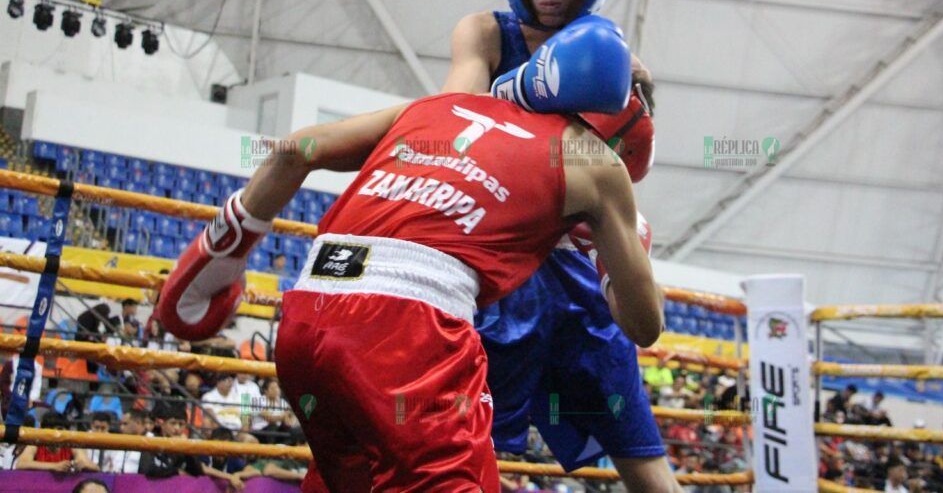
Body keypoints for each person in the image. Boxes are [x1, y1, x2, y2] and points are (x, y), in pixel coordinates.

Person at [157, 38, 664, 492]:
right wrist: (610, 256)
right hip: (406, 337)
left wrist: (226, 248)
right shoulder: (595, 162)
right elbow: (645, 326)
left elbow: (295, 151)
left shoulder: (443, 107)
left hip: (308, 317)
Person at [443, 0, 674, 490]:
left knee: (643, 459)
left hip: (581, 267)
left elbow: (632, 166)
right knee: (467, 457)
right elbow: (451, 121)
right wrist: (529, 87)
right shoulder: (484, 33)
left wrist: (636, 98)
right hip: (502, 267)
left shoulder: (615, 60)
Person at [14, 411, 100, 473]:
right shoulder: (35, 445)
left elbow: (95, 467)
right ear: (42, 430)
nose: (55, 434)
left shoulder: (71, 445)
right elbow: (21, 464)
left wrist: (82, 465)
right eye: (50, 429)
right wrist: (54, 466)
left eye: (59, 429)